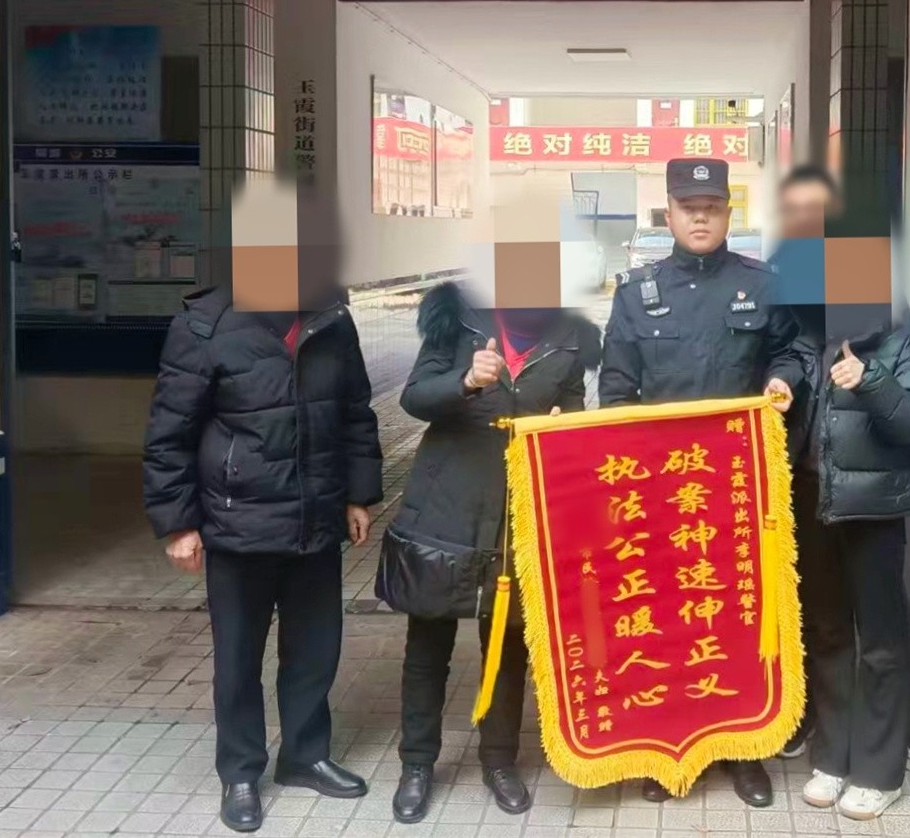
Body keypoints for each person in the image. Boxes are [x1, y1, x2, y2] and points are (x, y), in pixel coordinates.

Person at [599, 158, 802, 808]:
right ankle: (667, 748)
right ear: (669, 213)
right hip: (661, 493)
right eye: (689, 207)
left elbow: (791, 350)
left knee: (739, 616)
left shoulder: (762, 285)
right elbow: (616, 389)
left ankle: (742, 749)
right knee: (666, 621)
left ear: (728, 214)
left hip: (737, 488)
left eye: (712, 206)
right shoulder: (637, 293)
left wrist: (782, 380)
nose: (700, 217)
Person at [143, 286, 383, 833]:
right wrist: (179, 524)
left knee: (315, 651)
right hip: (238, 525)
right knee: (237, 659)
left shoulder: (330, 319)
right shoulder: (205, 325)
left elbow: (354, 414)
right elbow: (169, 430)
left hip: (315, 518)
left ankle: (305, 756)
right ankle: (241, 773)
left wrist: (357, 495)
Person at [380, 283, 601, 824]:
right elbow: (414, 397)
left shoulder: (571, 336)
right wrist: (466, 381)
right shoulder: (458, 320)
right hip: (446, 508)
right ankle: (416, 764)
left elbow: (573, 408)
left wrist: (563, 423)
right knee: (427, 644)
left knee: (507, 647)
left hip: (519, 516)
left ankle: (499, 761)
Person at [766, 166, 910, 820]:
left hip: (873, 509)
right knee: (829, 629)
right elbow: (788, 362)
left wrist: (871, 381)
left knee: (883, 639)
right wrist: (781, 383)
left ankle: (879, 766)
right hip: (813, 502)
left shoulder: (891, 330)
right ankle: (832, 755)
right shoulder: (805, 330)